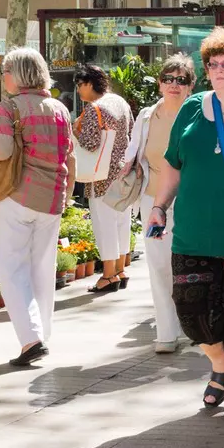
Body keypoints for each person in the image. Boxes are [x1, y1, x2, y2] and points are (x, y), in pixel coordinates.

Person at [147, 28, 224, 420]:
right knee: (192, 312)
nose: (218, 71)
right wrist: (159, 205)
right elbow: (173, 162)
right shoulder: (192, 108)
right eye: (212, 64)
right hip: (193, 230)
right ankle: (220, 364)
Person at [0, 48, 75, 368]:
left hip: (17, 196)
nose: (3, 77)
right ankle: (42, 334)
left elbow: (1, 150)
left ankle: (31, 340)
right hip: (52, 199)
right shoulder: (59, 107)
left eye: (6, 71)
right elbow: (69, 157)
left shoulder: (9, 108)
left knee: (12, 269)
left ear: (17, 75)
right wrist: (67, 194)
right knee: (42, 269)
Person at [124, 56, 195, 353]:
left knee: (191, 264)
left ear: (191, 85)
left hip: (193, 204)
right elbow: (132, 153)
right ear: (159, 82)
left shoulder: (200, 114)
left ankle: (194, 324)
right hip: (154, 206)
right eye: (168, 78)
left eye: (181, 79)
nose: (173, 84)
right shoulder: (146, 116)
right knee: (158, 264)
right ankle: (166, 333)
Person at [72, 63, 135, 294]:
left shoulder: (94, 109)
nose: (79, 91)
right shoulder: (120, 102)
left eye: (80, 85)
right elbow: (130, 132)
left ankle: (108, 275)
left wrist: (75, 129)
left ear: (89, 84)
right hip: (122, 171)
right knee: (121, 222)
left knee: (104, 224)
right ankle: (120, 270)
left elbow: (89, 143)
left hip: (100, 176)